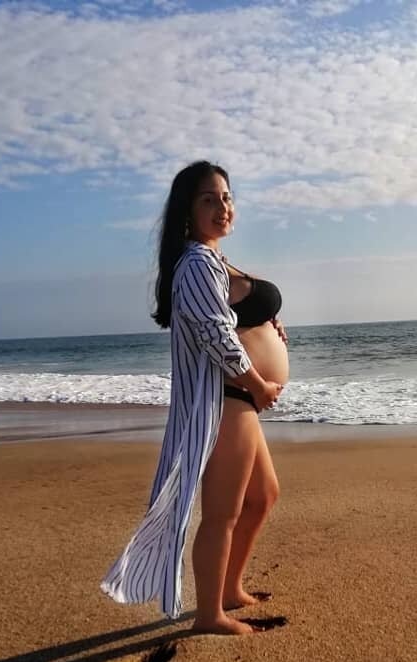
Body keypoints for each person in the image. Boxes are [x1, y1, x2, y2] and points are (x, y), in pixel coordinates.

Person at [101, 160, 289, 635]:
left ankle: (228, 589)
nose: (222, 207)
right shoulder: (197, 265)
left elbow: (231, 318)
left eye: (226, 197)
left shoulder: (215, 260)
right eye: (209, 199)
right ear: (187, 211)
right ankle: (208, 616)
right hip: (226, 399)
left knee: (263, 496)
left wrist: (268, 323)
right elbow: (216, 336)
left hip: (240, 399)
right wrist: (257, 383)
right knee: (223, 512)